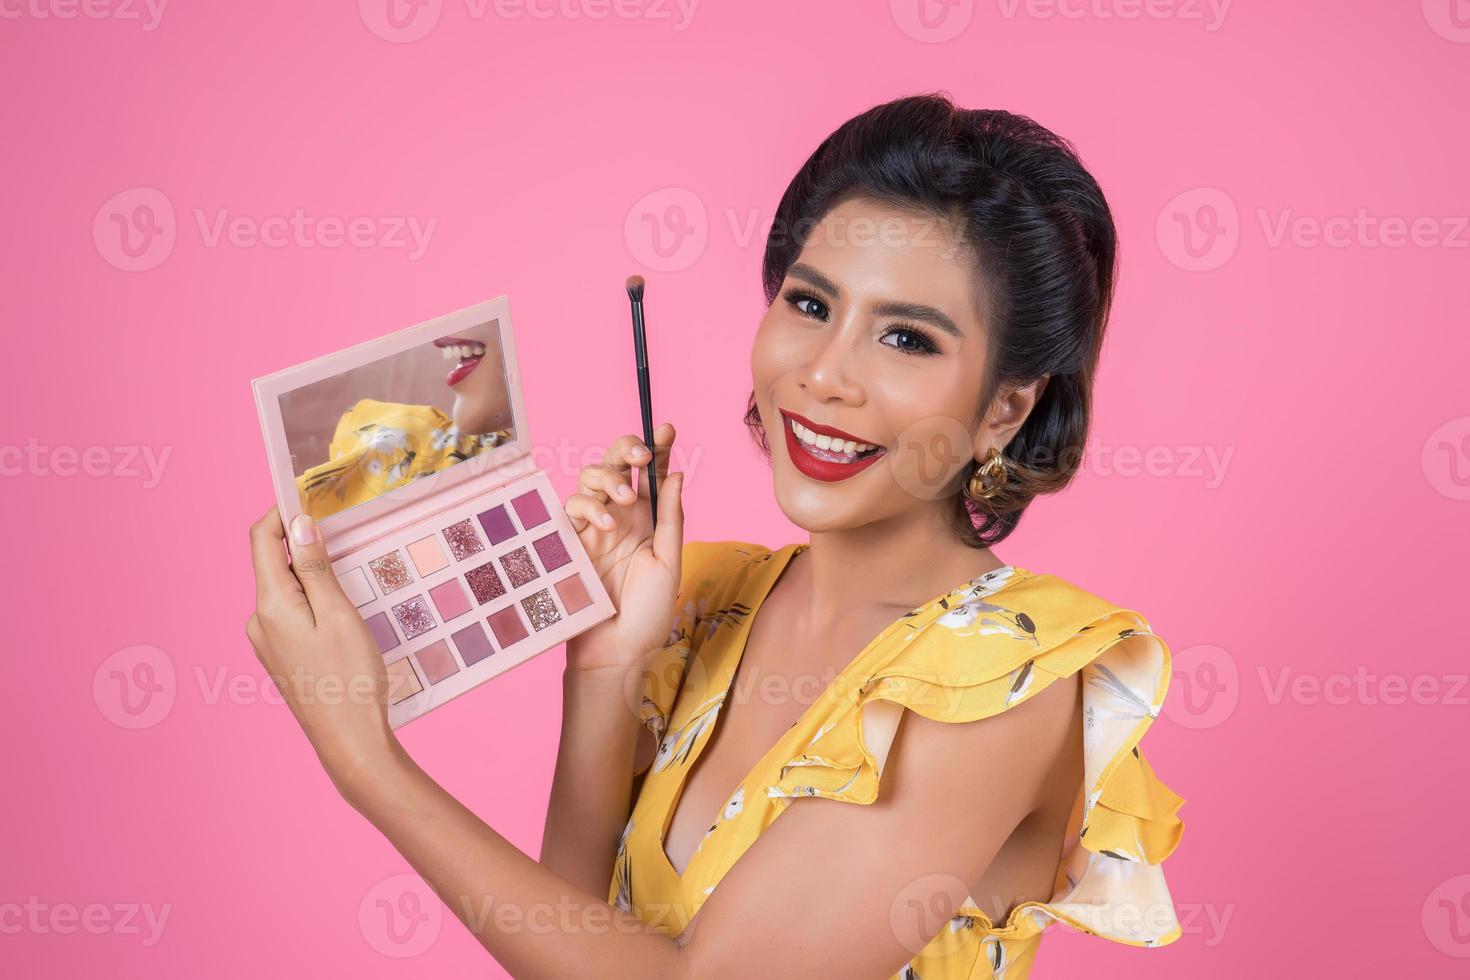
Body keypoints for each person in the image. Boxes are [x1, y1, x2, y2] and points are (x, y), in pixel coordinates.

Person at [247, 92, 1186, 978]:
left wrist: (365, 764)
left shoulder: (1007, 679)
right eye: (811, 305)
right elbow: (567, 937)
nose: (824, 375)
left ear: (1005, 410)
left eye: (907, 339)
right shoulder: (708, 600)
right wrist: (604, 667)